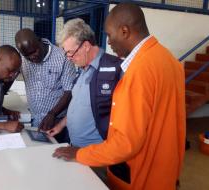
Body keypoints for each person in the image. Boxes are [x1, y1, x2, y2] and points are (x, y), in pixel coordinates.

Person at [53, 3, 186, 190]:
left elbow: (125, 144)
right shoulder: (169, 60)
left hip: (141, 174)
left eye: (109, 34)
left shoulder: (138, 70)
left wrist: (80, 154)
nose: (108, 42)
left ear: (124, 31)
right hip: (164, 171)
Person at [46, 18, 122, 147]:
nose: (69, 59)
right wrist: (60, 125)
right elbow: (79, 105)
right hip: (75, 147)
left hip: (96, 152)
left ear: (86, 46)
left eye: (70, 53)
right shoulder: (83, 69)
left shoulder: (115, 69)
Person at [15, 29, 76, 142]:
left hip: (58, 121)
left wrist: (52, 114)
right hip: (35, 118)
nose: (31, 57)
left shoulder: (62, 57)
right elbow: (9, 76)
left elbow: (69, 91)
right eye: (27, 56)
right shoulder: (21, 58)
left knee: (57, 152)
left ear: (39, 41)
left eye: (34, 52)